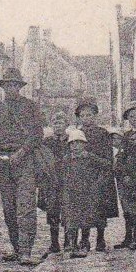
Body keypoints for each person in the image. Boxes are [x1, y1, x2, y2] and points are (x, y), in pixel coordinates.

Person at [0, 67, 46, 265]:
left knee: (26, 207)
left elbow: (37, 134)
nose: (11, 89)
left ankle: (26, 251)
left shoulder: (31, 107)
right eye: (7, 86)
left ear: (19, 87)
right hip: (3, 162)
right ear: (3, 88)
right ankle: (16, 247)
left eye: (15, 85)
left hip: (25, 160)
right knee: (9, 208)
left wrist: (22, 153)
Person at [57, 127, 113, 258]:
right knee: (71, 218)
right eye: (72, 144)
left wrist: (98, 182)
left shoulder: (90, 157)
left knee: (85, 217)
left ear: (84, 144)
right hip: (70, 193)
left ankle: (84, 242)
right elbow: (60, 174)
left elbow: (106, 165)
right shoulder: (66, 159)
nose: (75, 146)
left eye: (79, 143)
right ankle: (71, 244)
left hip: (86, 192)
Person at [74, 96, 119, 251]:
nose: (87, 118)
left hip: (99, 174)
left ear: (95, 116)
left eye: (90, 115)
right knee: (83, 208)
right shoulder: (76, 135)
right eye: (83, 115)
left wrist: (102, 171)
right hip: (82, 177)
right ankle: (84, 239)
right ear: (79, 118)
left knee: (100, 208)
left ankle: (100, 238)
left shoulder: (102, 133)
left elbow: (107, 159)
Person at [115, 102, 136, 250]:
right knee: (127, 208)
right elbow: (123, 156)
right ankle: (129, 235)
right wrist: (123, 173)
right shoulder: (127, 135)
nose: (134, 119)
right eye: (131, 117)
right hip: (127, 177)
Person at [38, 113, 70, 254]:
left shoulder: (70, 141)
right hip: (50, 181)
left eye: (61, 123)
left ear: (66, 125)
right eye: (55, 123)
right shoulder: (46, 142)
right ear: (51, 125)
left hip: (66, 180)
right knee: (52, 211)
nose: (58, 126)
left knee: (68, 210)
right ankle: (54, 242)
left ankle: (69, 241)